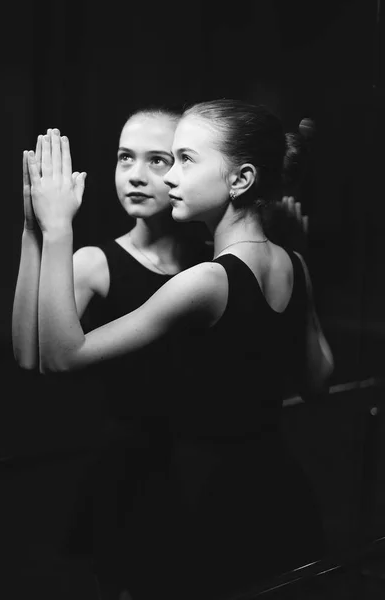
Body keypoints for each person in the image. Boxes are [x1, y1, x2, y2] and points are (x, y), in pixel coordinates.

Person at [22, 98, 334, 599]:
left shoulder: (206, 280)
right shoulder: (294, 263)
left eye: (185, 160)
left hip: (201, 497)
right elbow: (317, 380)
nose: (170, 177)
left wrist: (57, 229)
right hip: (275, 488)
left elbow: (61, 356)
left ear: (241, 179)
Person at [12, 106, 211, 599]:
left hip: (203, 465)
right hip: (130, 472)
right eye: (125, 158)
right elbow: (27, 355)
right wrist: (34, 229)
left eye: (158, 160)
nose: (136, 176)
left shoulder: (213, 263)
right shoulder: (94, 262)